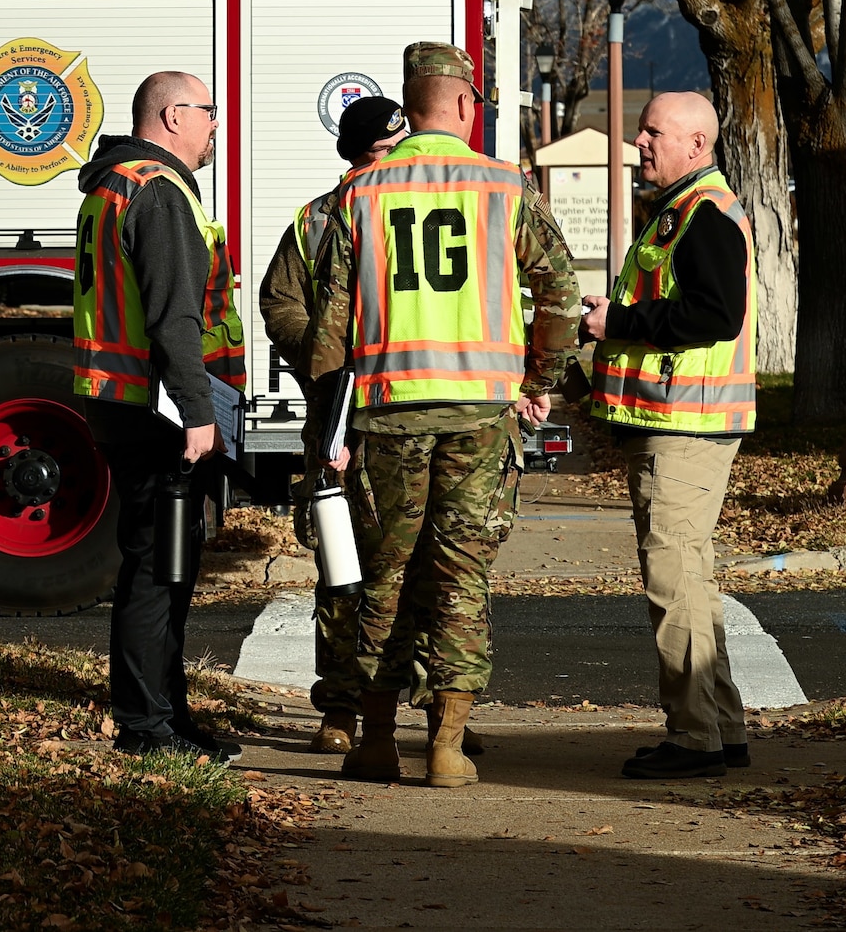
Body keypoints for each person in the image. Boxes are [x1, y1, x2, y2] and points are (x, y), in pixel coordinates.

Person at [304, 42, 579, 786]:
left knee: (382, 577)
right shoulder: (504, 186)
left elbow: (327, 326)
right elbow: (560, 292)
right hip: (479, 418)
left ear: (411, 102)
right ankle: (449, 747)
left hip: (386, 418)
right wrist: (540, 377)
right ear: (462, 105)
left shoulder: (361, 192)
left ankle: (376, 740)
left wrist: (327, 427)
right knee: (459, 578)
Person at [72, 70, 246, 762]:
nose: (215, 126)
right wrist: (199, 412)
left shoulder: (112, 184)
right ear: (173, 115)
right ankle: (149, 728)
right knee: (160, 570)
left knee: (161, 562)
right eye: (208, 112)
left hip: (119, 400)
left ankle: (167, 717)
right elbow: (174, 313)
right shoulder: (160, 189)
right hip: (158, 409)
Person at [582, 91, 756, 780]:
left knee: (674, 577)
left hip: (687, 423)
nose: (641, 141)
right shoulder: (685, 211)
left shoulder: (705, 214)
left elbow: (715, 313)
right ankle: (721, 724)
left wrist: (618, 322)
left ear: (697, 144)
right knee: (693, 577)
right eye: (643, 130)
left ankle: (694, 738)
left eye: (655, 132)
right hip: (683, 421)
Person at [257, 95, 408, 754]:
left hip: (410, 414)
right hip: (341, 417)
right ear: (360, 153)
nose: (400, 159)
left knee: (419, 567)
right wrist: (327, 354)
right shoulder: (317, 221)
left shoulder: (417, 209)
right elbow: (278, 301)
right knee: (344, 571)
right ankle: (343, 708)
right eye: (387, 149)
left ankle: (437, 710)